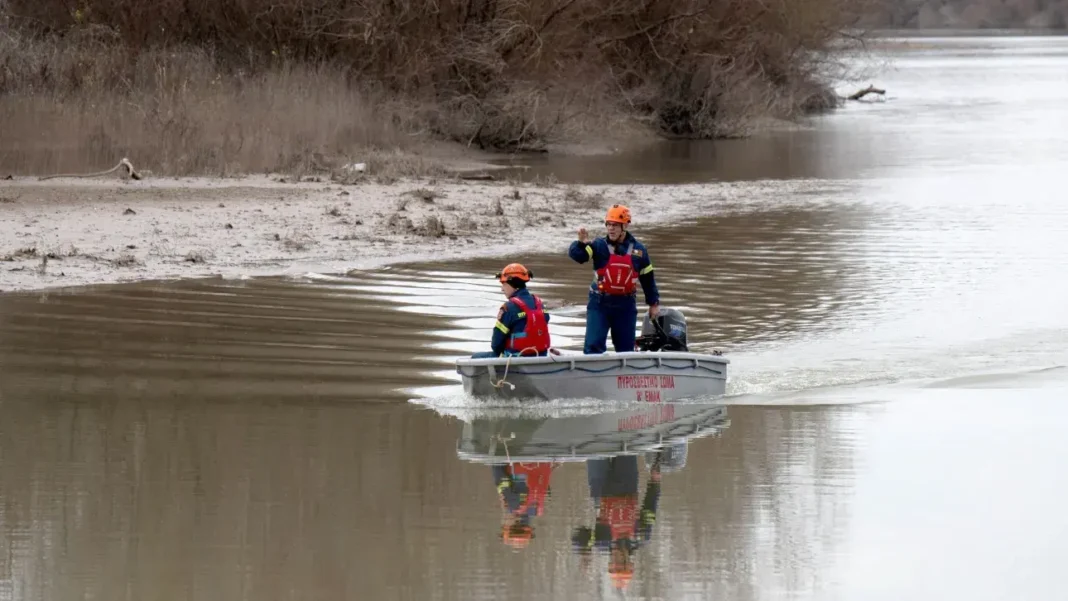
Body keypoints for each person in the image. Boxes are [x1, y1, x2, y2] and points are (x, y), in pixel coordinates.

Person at [567, 204, 659, 354]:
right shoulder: (598, 246)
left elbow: (648, 279)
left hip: (626, 305)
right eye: (608, 224)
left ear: (625, 226)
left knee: (626, 351)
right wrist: (580, 244)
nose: (611, 229)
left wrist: (653, 304)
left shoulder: (639, 251)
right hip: (599, 303)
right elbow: (579, 256)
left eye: (615, 225)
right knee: (593, 347)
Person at [570, 454, 663, 591]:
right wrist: (655, 482)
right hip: (627, 484)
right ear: (629, 563)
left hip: (600, 487)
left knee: (595, 450)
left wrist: (584, 551)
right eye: (620, 564)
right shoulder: (641, 537)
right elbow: (650, 508)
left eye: (613, 565)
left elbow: (578, 536)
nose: (615, 560)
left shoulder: (601, 542)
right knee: (626, 447)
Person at [471, 263, 552, 359]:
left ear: (512, 284)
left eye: (504, 284)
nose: (502, 289)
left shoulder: (508, 308)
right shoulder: (539, 304)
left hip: (513, 359)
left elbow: (496, 345)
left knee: (475, 357)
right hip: (541, 356)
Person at [492, 461, 559, 550]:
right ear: (514, 524)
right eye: (505, 525)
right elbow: (498, 470)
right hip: (517, 460)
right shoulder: (512, 505)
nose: (504, 522)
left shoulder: (538, 509)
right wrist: (494, 461)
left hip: (542, 462)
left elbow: (545, 486)